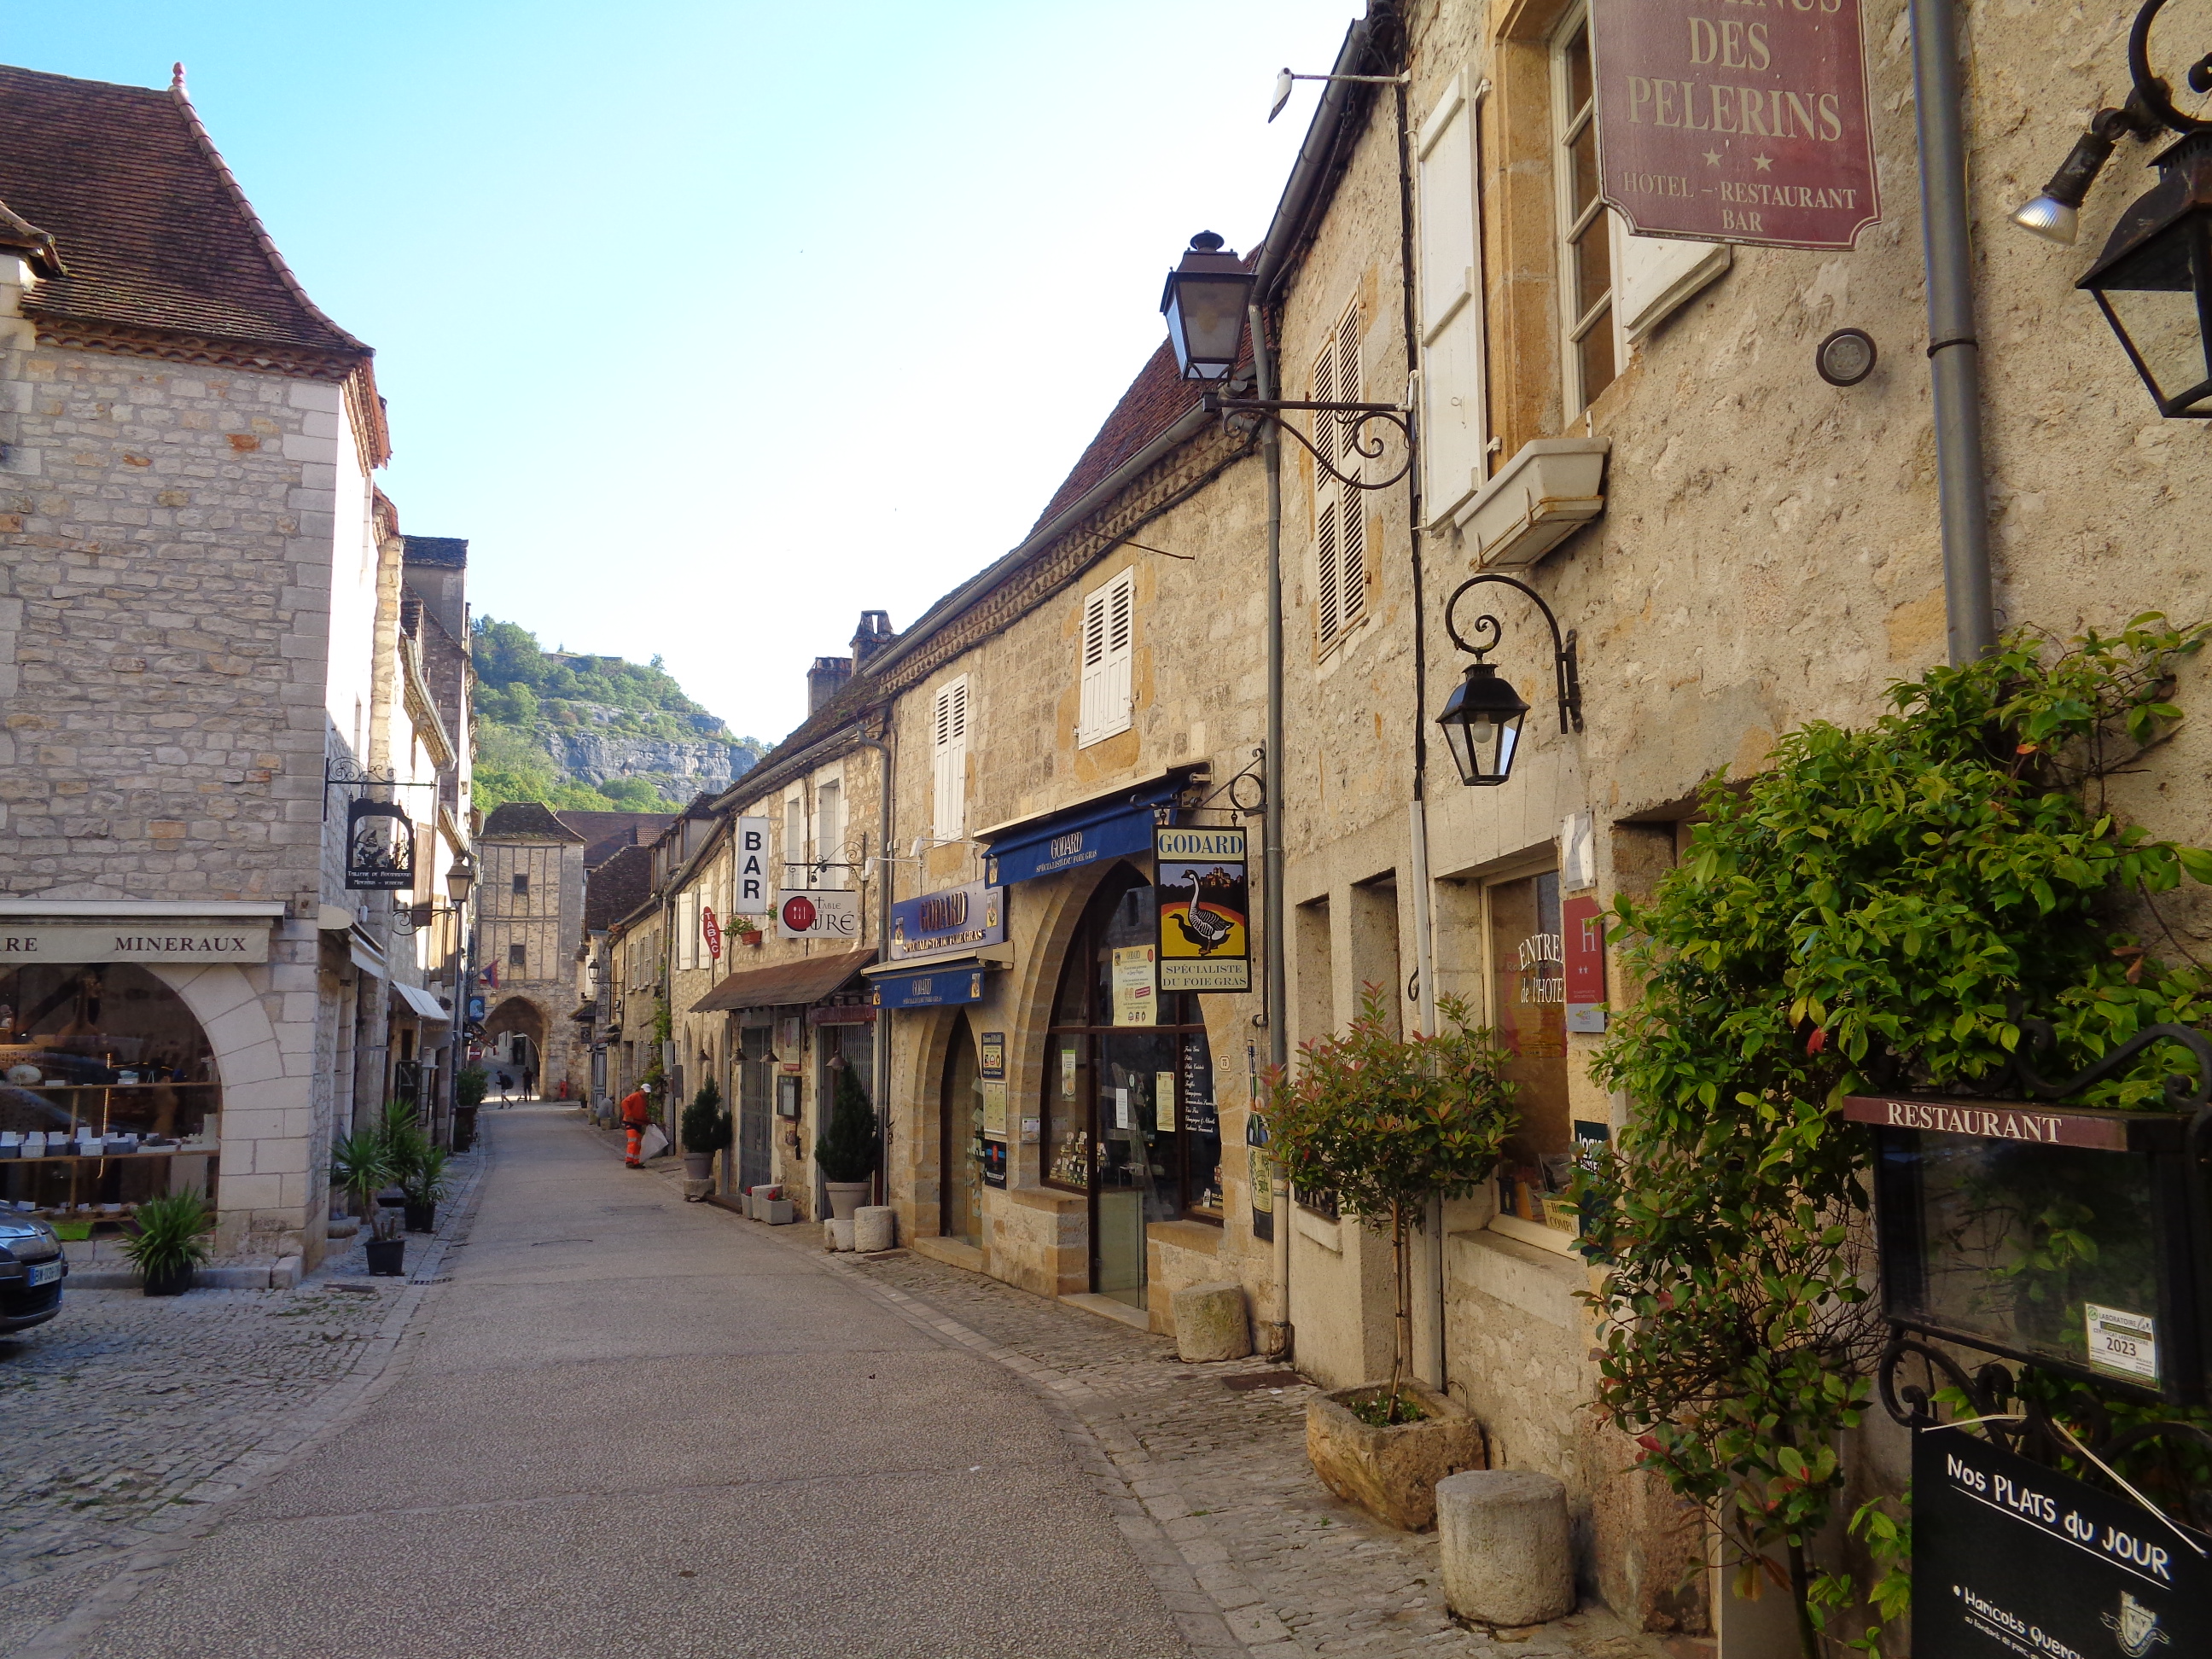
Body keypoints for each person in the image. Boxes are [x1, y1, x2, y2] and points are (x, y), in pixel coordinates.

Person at [620, 1085, 651, 1167]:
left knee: (638, 1143)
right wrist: (629, 1115)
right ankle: (629, 1161)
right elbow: (624, 1103)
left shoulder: (643, 1100)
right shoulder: (635, 1096)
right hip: (631, 1122)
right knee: (633, 1141)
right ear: (641, 1089)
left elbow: (642, 1113)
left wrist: (647, 1121)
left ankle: (636, 1162)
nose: (646, 1094)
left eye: (647, 1093)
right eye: (645, 1092)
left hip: (638, 1123)